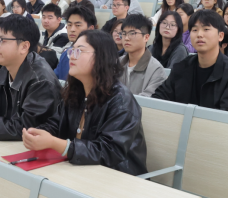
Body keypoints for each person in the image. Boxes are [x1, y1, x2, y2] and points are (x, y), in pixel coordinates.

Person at [23, 30, 147, 176]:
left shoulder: (121, 100)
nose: (71, 56)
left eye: (79, 51)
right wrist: (38, 133)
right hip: (81, 169)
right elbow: (57, 123)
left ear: (102, 57)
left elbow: (109, 152)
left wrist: (55, 143)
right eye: (72, 51)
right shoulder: (76, 91)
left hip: (119, 176)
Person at [152, 10, 228, 113]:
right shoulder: (181, 67)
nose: (199, 34)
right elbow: (158, 99)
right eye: (195, 30)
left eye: (206, 29)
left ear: (220, 36)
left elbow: (227, 119)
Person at [118, 15, 165, 97]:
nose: (126, 38)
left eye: (132, 33)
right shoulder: (116, 63)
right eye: (124, 34)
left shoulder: (156, 70)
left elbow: (147, 101)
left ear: (146, 37)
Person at [54, 6, 97, 80]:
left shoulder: (95, 55)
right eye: (69, 25)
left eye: (78, 25)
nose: (72, 29)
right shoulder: (66, 54)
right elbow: (54, 79)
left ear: (90, 29)